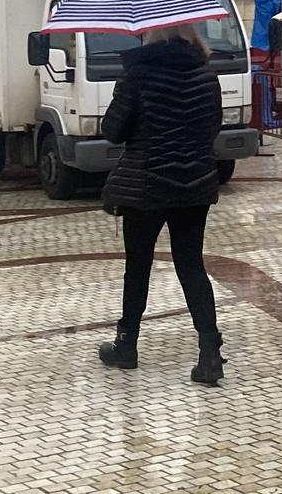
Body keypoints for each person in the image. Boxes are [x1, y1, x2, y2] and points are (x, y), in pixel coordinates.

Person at [94, 24, 227, 386]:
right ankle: (210, 353)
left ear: (150, 35)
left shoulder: (138, 75)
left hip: (146, 185)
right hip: (195, 186)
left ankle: (127, 345)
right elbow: (212, 127)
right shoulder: (206, 75)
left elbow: (112, 130)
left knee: (138, 266)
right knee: (191, 264)